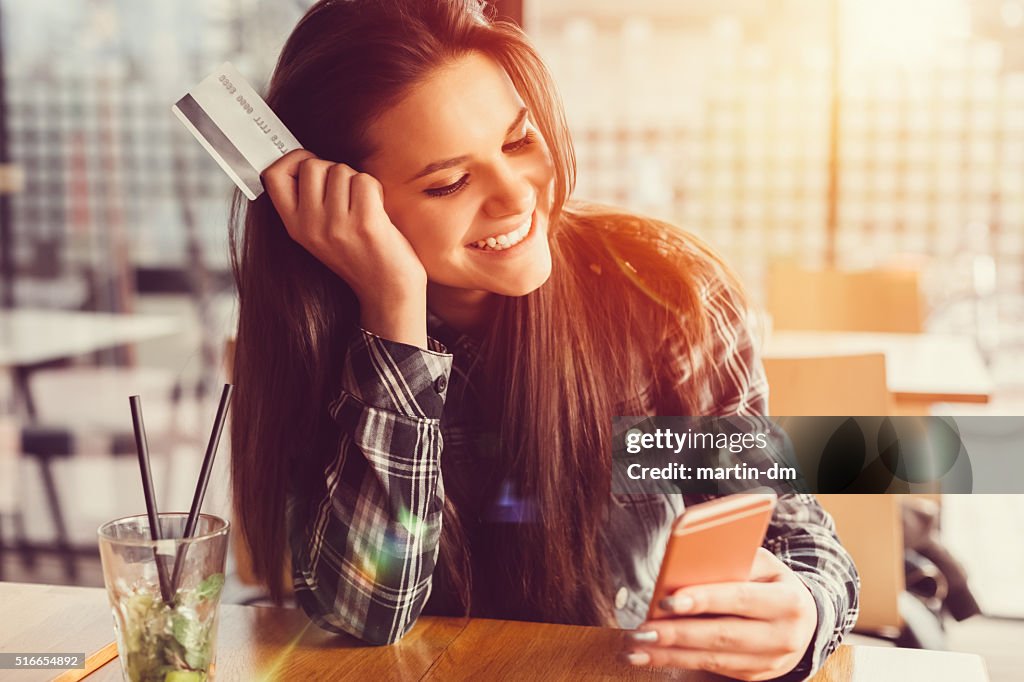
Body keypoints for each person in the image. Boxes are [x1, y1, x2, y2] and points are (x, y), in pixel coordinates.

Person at [229, 1, 859, 680]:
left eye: (518, 141)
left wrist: (806, 610)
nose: (514, 195)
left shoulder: (662, 297)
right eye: (450, 182)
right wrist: (394, 315)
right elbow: (366, 613)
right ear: (345, 208)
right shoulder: (321, 336)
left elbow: (793, 539)